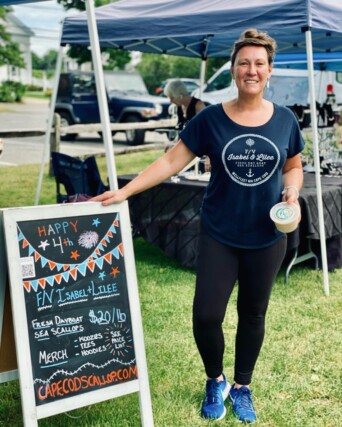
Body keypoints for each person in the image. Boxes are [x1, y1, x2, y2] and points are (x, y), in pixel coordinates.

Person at [91, 28, 304, 424]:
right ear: (235, 70)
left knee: (253, 313)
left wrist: (291, 192)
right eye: (244, 63)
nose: (251, 70)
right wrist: (125, 191)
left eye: (259, 63)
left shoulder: (286, 120)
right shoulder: (210, 119)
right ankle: (215, 379)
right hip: (220, 232)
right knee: (207, 314)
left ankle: (242, 386)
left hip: (266, 236)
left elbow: (293, 165)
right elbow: (172, 161)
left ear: (270, 70)